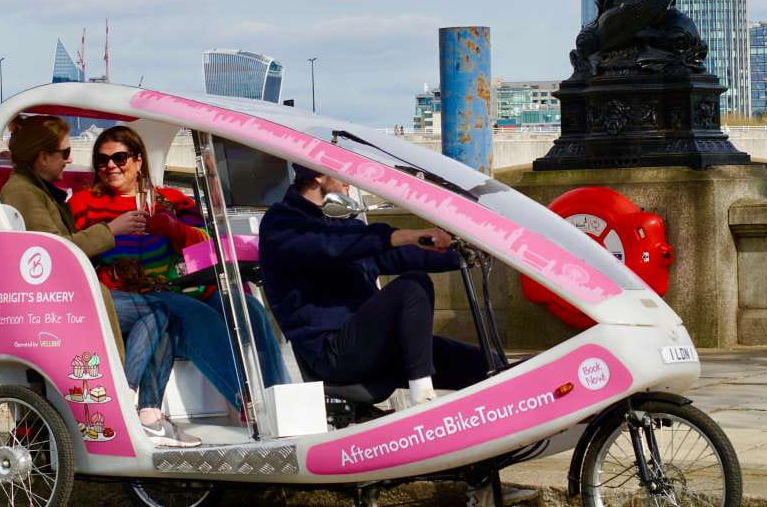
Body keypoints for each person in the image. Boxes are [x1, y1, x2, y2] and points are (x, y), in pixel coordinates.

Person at [0, 115, 198, 448]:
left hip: (69, 297)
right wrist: (112, 230)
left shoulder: (34, 189)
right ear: (42, 156)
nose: (69, 159)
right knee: (160, 312)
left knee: (160, 313)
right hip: (61, 304)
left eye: (118, 158)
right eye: (64, 152)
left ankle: (144, 410)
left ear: (138, 161)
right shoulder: (25, 192)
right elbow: (54, 252)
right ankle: (134, 402)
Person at [68, 125, 289, 412]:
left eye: (119, 158)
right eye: (102, 160)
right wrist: (111, 241)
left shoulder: (171, 199)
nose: (110, 166)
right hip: (136, 293)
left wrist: (173, 229)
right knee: (199, 318)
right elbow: (74, 248)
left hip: (186, 285)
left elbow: (205, 243)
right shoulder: (84, 204)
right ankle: (250, 408)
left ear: (138, 160)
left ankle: (280, 401)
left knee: (249, 309)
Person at [258, 164, 486, 405]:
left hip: (374, 345)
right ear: (317, 175)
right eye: (341, 173)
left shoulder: (345, 225)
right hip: (333, 354)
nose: (349, 182)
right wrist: (402, 235)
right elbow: (329, 245)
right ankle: (423, 399)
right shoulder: (282, 223)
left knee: (487, 365)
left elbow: (396, 255)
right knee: (412, 287)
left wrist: (468, 253)